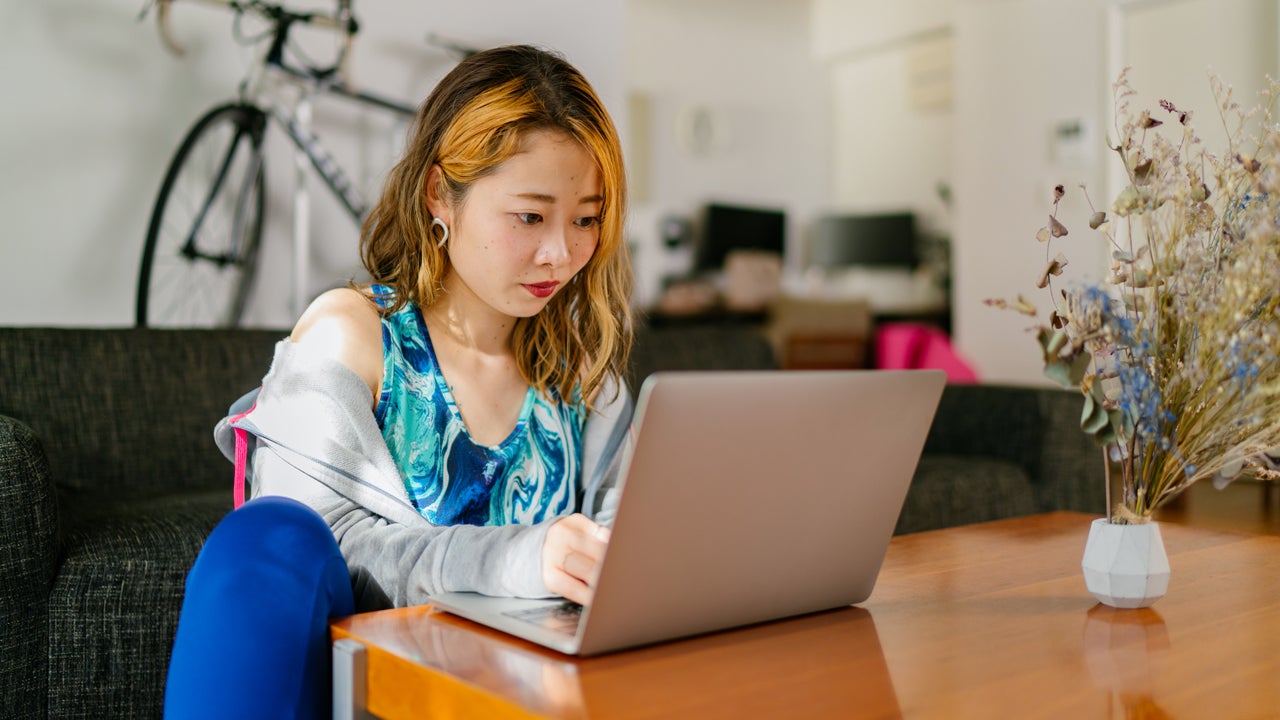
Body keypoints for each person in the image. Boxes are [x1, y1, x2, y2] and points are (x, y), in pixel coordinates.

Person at [163, 44, 634, 719]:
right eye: (530, 216)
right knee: (263, 538)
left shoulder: (585, 374)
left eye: (586, 219)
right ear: (441, 194)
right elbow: (329, 554)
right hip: (387, 696)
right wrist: (516, 559)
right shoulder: (350, 335)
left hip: (535, 698)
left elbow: (625, 561)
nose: (561, 253)